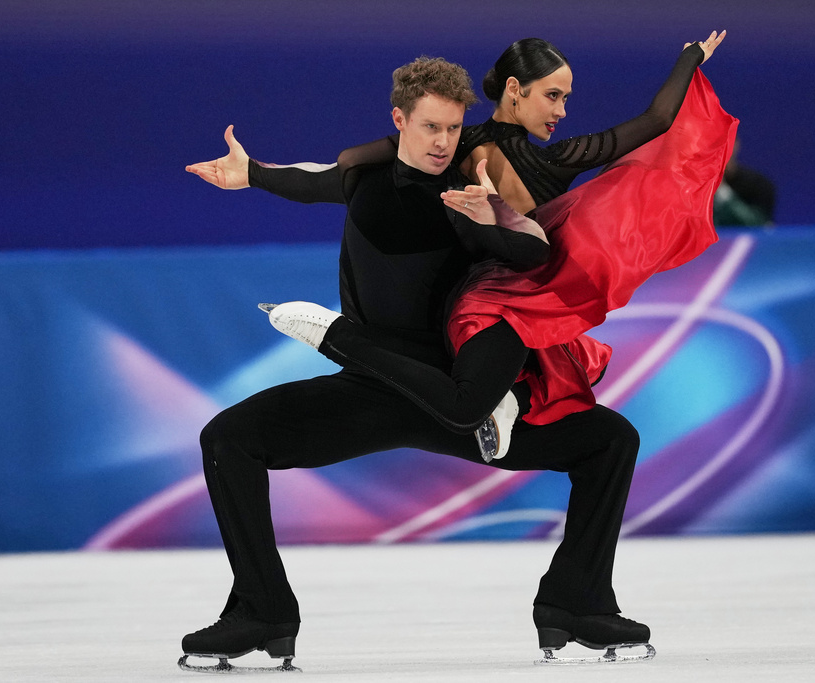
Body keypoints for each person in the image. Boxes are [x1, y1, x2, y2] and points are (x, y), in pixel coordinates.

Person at [181, 55, 649, 669]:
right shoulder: (365, 180)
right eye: (431, 127)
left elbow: (532, 256)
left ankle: (576, 601)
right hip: (374, 392)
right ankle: (262, 609)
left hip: (450, 396)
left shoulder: (465, 196)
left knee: (609, 441)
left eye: (453, 129)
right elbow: (316, 179)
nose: (442, 142)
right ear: (399, 120)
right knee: (228, 439)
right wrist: (254, 173)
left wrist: (493, 218)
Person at [267, 32, 735, 457]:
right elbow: (345, 169)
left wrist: (259, 174)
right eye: (552, 95)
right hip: (482, 301)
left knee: (581, 364)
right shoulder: (485, 144)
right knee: (553, 370)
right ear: (515, 89)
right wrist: (689, 60)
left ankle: (509, 400)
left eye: (566, 98)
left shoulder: (465, 142)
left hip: (500, 294)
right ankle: (344, 338)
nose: (561, 111)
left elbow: (346, 165)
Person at [713, 136, 777, 227]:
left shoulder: (759, 184)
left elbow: (760, 225)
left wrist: (723, 192)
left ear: (735, 144)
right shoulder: (694, 188)